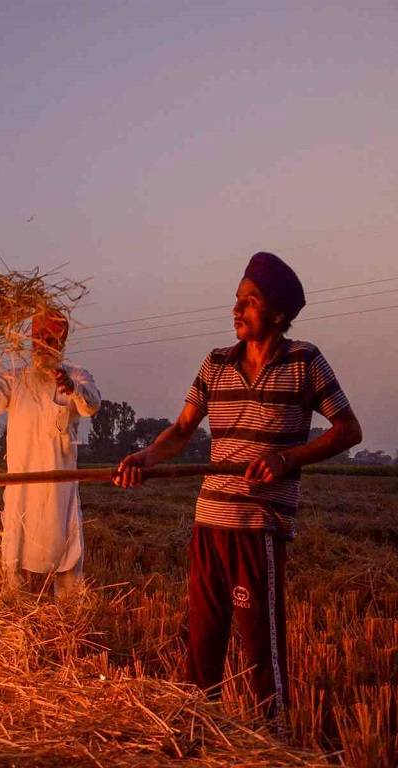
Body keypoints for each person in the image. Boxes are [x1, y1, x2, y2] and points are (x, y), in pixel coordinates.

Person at [114, 252, 362, 726]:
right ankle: (195, 734)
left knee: (260, 649)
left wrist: (286, 458)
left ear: (278, 313)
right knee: (201, 643)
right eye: (237, 299)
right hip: (209, 524)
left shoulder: (304, 361)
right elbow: (183, 429)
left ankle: (274, 738)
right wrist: (146, 457)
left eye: (250, 301)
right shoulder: (215, 363)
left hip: (258, 527)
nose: (237, 309)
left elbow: (348, 430)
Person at [0, 308, 101, 594]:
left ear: (61, 341)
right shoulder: (15, 378)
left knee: (64, 542)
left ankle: (69, 610)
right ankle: (15, 604)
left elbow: (91, 405)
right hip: (21, 481)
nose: (41, 343)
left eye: (49, 336)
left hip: (58, 485)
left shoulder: (76, 376)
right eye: (37, 336)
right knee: (17, 542)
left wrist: (73, 388)